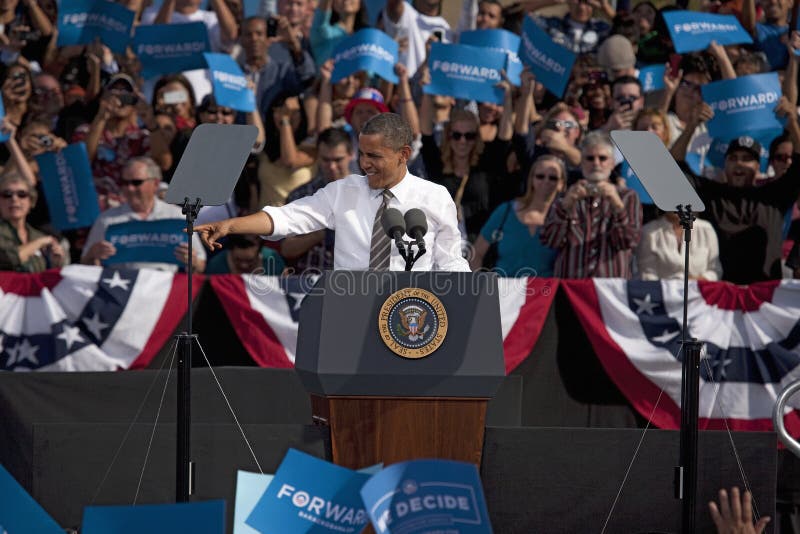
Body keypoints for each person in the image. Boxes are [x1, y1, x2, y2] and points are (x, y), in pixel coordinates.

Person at [195, 113, 469, 271]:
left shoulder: (435, 197)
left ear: (403, 154)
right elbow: (286, 218)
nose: (364, 164)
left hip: (410, 320)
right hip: (350, 311)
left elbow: (452, 263)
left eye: (374, 156)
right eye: (361, 154)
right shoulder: (343, 191)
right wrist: (231, 225)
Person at [674, 99, 800, 284]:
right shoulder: (709, 194)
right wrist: (692, 125)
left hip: (765, 300)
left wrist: (793, 123)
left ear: (758, 167)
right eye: (733, 158)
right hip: (719, 300)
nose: (739, 163)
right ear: (725, 165)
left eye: (747, 158)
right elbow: (673, 167)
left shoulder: (774, 196)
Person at [541, 131, 642, 278]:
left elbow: (629, 241)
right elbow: (550, 241)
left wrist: (617, 205)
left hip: (611, 290)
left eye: (602, 158)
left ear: (612, 163)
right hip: (571, 289)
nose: (596, 163)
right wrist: (566, 206)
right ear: (582, 162)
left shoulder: (627, 197)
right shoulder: (565, 196)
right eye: (590, 158)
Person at [81, 157, 206, 272]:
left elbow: (201, 263)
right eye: (125, 183)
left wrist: (192, 260)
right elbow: (84, 262)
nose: (129, 188)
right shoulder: (107, 219)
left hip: (164, 288)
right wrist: (93, 254)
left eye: (136, 182)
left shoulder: (177, 216)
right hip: (121, 290)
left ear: (155, 184)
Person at [469, 155, 563, 276]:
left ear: (562, 184)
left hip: (546, 293)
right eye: (540, 176)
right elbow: (476, 253)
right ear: (531, 180)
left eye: (553, 178)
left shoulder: (564, 219)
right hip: (503, 292)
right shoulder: (506, 211)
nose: (546, 181)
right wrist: (477, 287)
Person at [280, 127, 354, 273]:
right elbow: (287, 249)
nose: (332, 166)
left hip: (357, 282)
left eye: (338, 160)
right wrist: (322, 231)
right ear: (317, 157)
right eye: (326, 160)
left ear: (351, 155)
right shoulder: (300, 196)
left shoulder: (370, 193)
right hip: (310, 282)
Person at [0, 173, 64, 272]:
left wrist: (55, 264)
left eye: (22, 194)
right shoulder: (41, 240)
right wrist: (38, 244)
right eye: (7, 195)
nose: (14, 199)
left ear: (31, 201)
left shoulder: (38, 236)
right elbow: (8, 260)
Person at [636, 212, 722, 280]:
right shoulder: (648, 231)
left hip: (699, 296)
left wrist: (694, 283)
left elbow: (715, 271)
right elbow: (646, 274)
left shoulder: (706, 229)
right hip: (663, 297)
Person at [205, 234, 285, 274]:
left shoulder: (273, 261)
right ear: (230, 251)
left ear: (260, 251)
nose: (244, 265)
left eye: (250, 260)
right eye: (238, 260)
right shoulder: (215, 267)